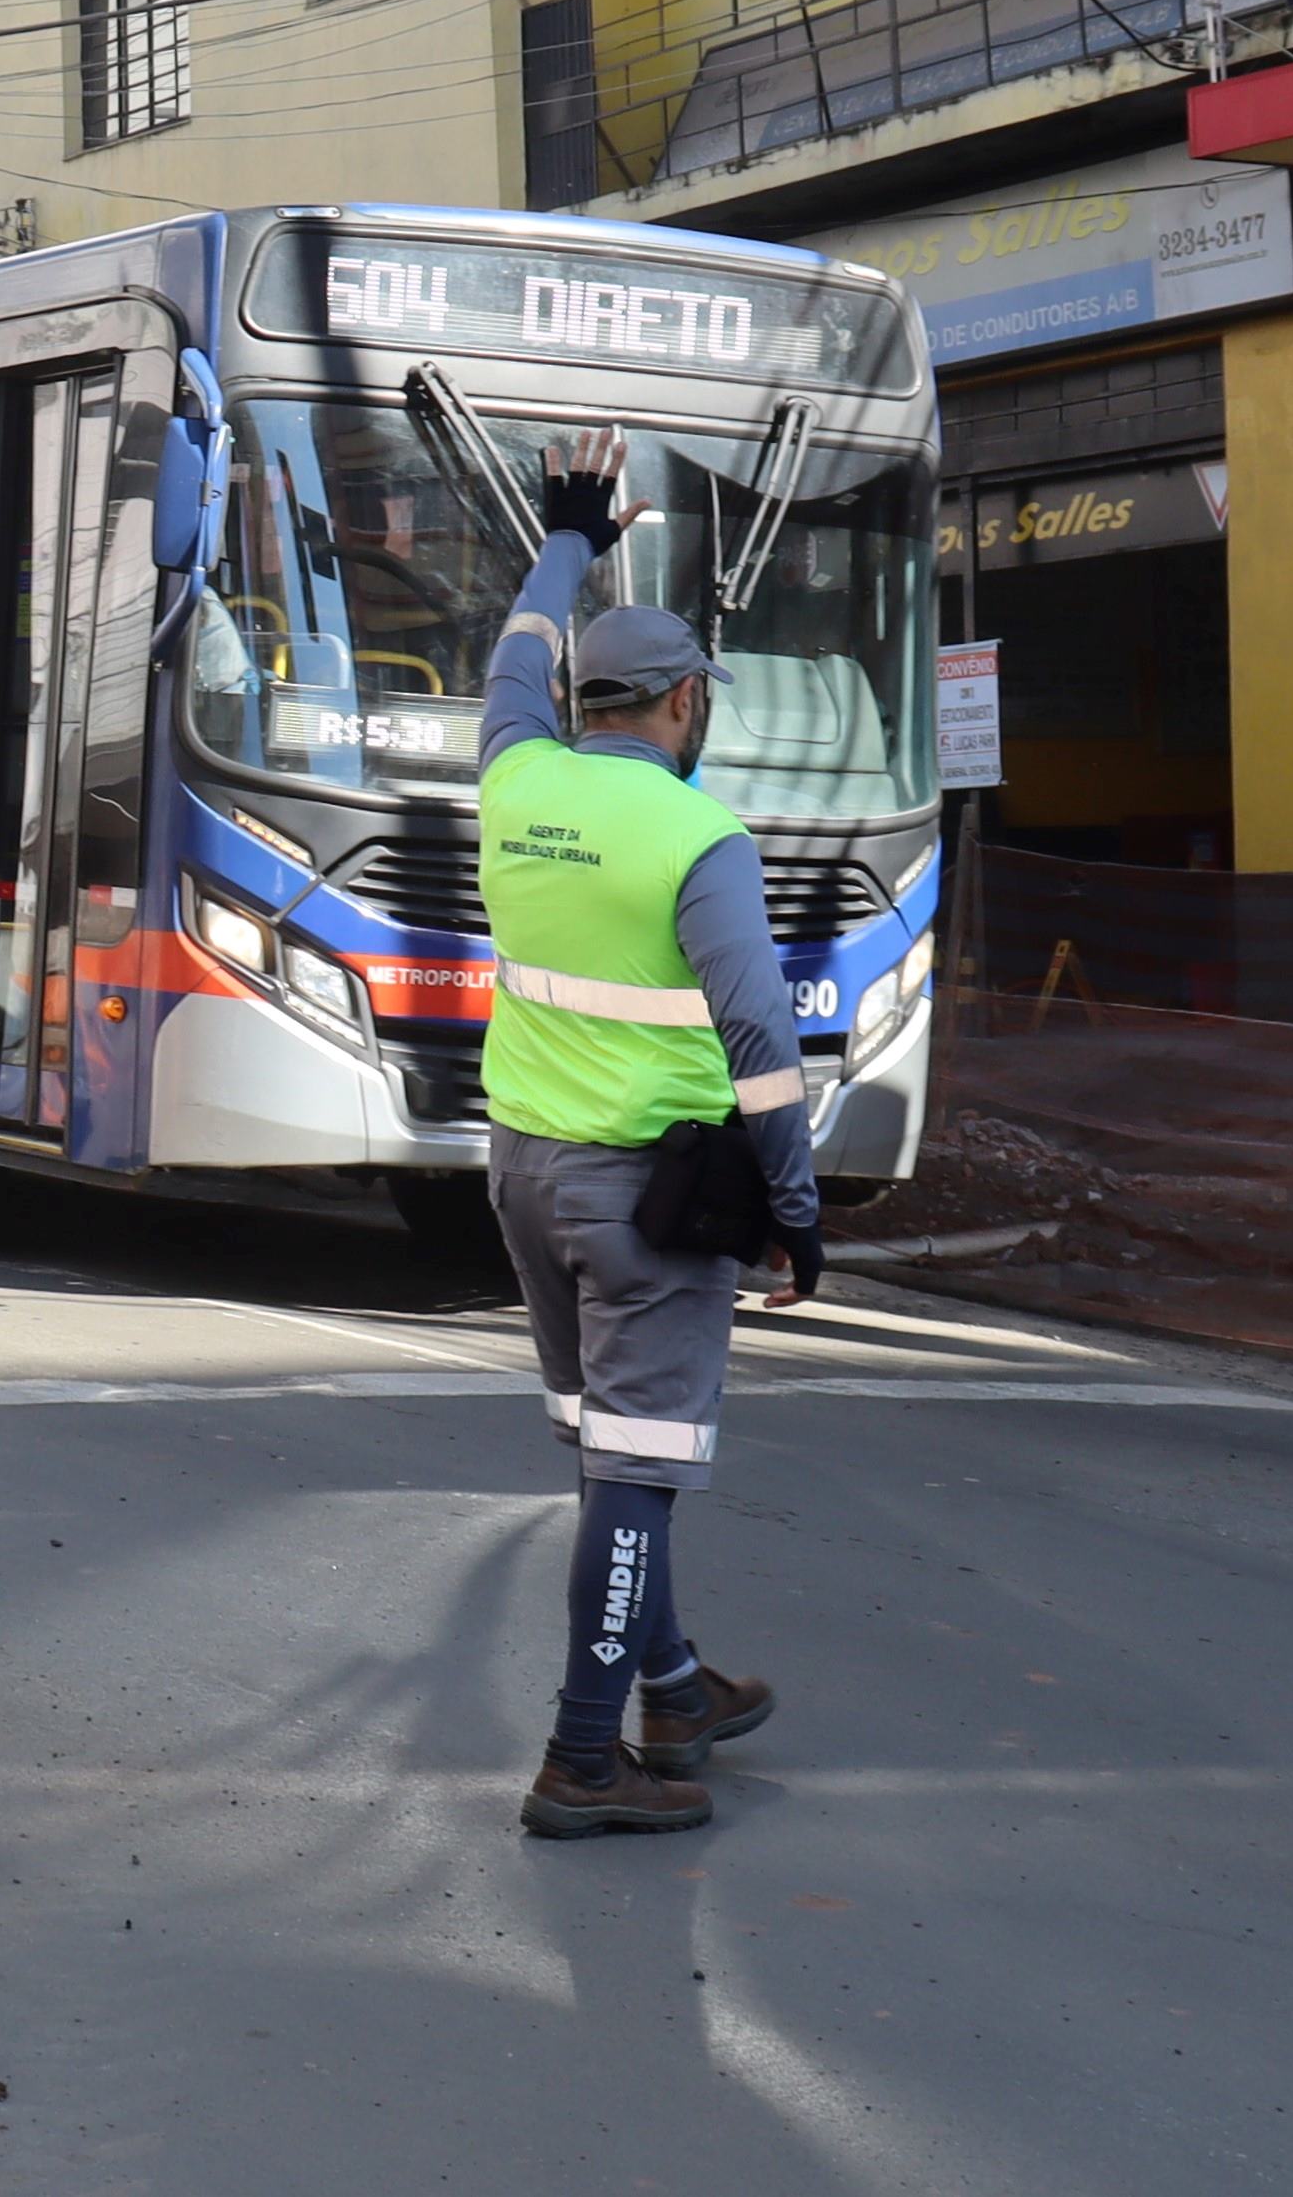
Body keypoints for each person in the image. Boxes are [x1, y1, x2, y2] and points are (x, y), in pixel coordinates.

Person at [475, 429, 823, 1840]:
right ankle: (581, 1754)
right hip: (652, 1199)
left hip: (523, 1177)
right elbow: (761, 1045)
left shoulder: (514, 776)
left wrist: (566, 535)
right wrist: (795, 1211)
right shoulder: (698, 837)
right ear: (686, 700)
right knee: (635, 1474)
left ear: (580, 698)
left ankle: (673, 1687)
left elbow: (510, 654)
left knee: (612, 1451)